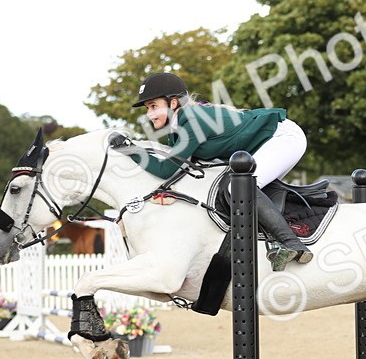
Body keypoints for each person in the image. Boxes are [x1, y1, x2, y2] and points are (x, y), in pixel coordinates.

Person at [129, 72, 313, 272]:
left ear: (173, 103)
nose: (149, 114)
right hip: (267, 144)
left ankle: (292, 243)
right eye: (148, 108)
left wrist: (130, 151)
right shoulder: (177, 131)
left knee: (238, 187)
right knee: (230, 189)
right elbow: (176, 173)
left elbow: (165, 169)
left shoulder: (193, 120)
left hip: (283, 138)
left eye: (154, 106)